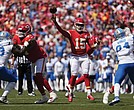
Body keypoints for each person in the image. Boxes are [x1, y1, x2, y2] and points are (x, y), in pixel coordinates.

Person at [52, 14, 97, 102]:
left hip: (84, 56)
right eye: (78, 25)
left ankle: (89, 93)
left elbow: (90, 47)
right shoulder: (71, 33)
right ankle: (71, 93)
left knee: (86, 74)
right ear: (75, 25)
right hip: (75, 56)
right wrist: (55, 22)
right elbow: (61, 31)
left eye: (81, 25)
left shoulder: (87, 34)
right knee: (74, 75)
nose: (80, 27)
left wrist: (94, 46)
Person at [12, 23, 57, 104]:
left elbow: (23, 51)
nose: (20, 32)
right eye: (19, 30)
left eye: (22, 31)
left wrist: (23, 48)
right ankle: (44, 96)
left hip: (40, 57)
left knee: (38, 75)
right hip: (32, 59)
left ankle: (52, 93)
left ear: (28, 32)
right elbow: (16, 51)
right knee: (36, 78)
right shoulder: (16, 37)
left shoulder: (30, 38)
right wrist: (14, 56)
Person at [107, 28, 134, 106]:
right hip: (132, 61)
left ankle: (116, 97)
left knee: (117, 81)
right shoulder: (130, 38)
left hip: (122, 63)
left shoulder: (114, 43)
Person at [12, 30, 35, 96]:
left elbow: (31, 51)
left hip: (27, 63)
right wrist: (13, 60)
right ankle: (20, 91)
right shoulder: (18, 46)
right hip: (20, 63)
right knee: (20, 78)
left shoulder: (27, 44)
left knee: (29, 79)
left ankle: (30, 91)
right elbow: (15, 54)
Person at [0, 31, 17, 104]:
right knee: (13, 80)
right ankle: (3, 97)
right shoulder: (10, 45)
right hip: (1, 67)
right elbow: (19, 52)